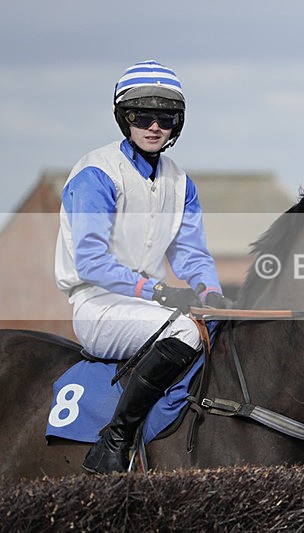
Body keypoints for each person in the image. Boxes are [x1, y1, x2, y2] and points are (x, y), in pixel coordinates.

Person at [55, 60, 234, 474]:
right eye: (142, 117)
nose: (154, 127)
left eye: (165, 118)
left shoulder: (181, 183)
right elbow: (91, 261)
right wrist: (158, 291)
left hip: (148, 306)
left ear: (177, 124)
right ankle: (115, 439)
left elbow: (192, 254)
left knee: (220, 324)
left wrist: (210, 291)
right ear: (125, 118)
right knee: (186, 330)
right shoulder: (95, 174)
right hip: (98, 306)